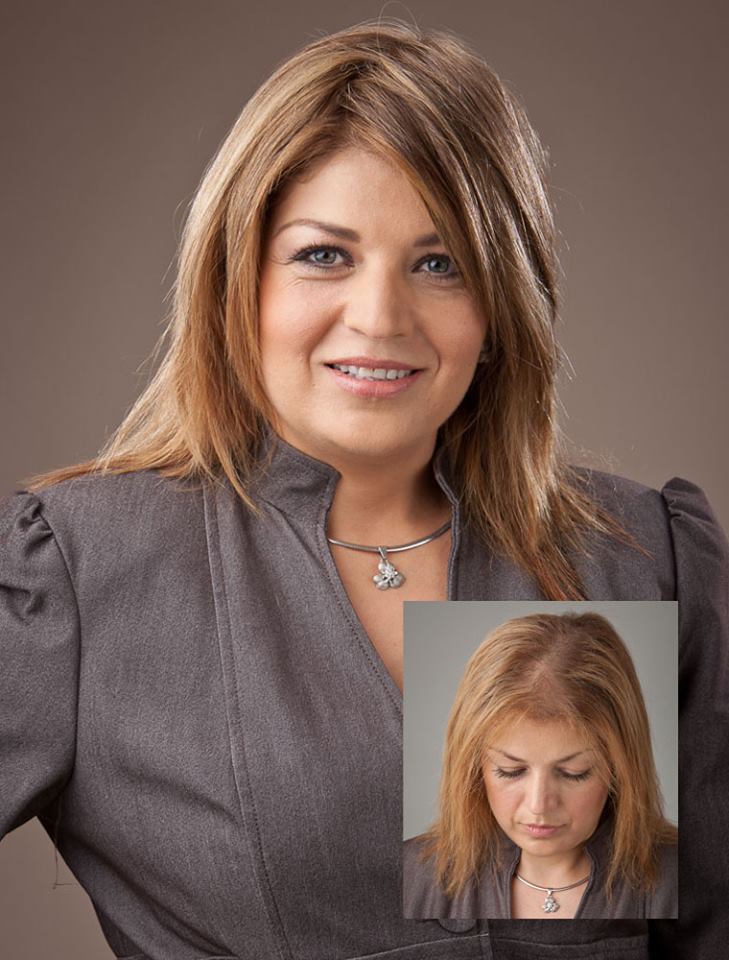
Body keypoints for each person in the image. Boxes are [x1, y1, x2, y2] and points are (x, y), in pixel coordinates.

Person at [0, 18, 726, 960]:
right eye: (322, 255)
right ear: (237, 280)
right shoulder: (79, 573)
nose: (380, 317)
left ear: (503, 303)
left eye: (439, 264)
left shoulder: (642, 553)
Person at [403, 611, 678, 920]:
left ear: (621, 767)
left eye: (574, 773)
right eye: (510, 770)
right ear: (472, 765)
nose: (539, 805)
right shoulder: (412, 875)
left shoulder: (687, 878)